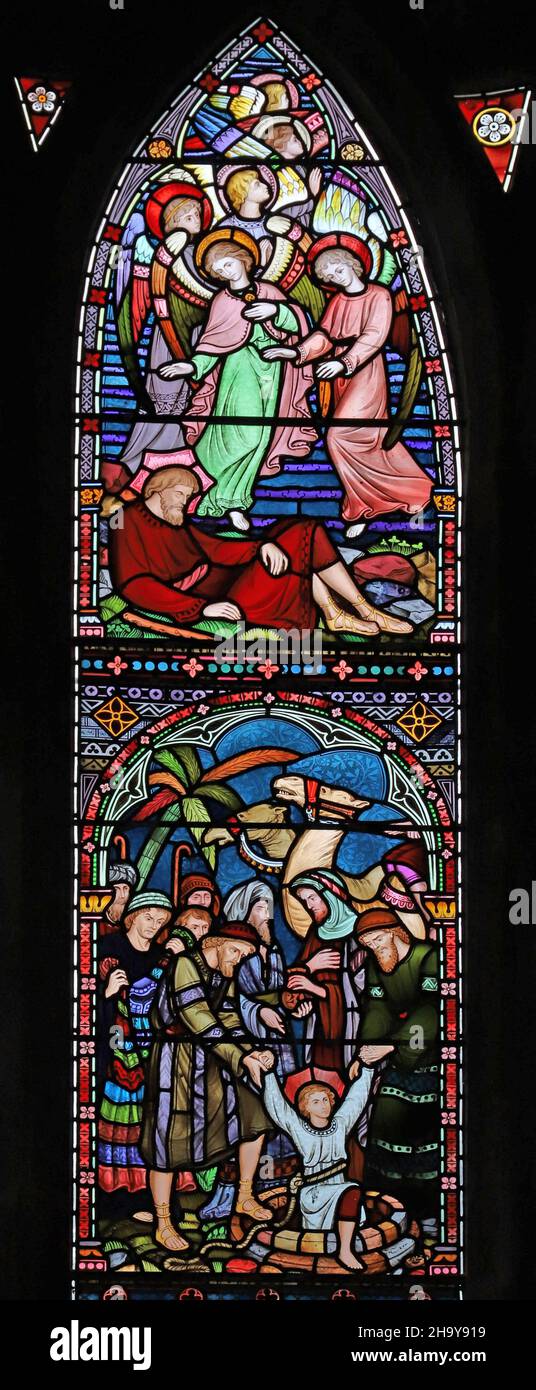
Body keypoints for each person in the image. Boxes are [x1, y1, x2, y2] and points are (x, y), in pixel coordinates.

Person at [109, 465, 412, 637]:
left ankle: (345, 611)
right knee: (302, 534)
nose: (184, 503)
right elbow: (134, 585)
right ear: (157, 489)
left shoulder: (177, 521)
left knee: (298, 531)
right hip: (221, 599)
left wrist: (261, 545)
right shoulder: (126, 522)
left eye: (187, 497)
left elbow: (216, 549)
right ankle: (355, 610)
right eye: (180, 495)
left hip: (229, 583)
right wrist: (200, 608)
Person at [263, 233, 433, 538]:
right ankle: (405, 489)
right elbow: (325, 335)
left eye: (338, 270)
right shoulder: (339, 300)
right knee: (369, 439)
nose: (336, 279)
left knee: (341, 437)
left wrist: (345, 362)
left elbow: (374, 335)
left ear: (353, 264)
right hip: (338, 374)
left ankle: (360, 507)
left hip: (366, 371)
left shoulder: (379, 295)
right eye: (329, 276)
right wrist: (297, 352)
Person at [159, 228, 317, 529]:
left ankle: (234, 501)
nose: (224, 272)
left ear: (244, 260)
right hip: (238, 370)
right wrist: (191, 367)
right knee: (244, 435)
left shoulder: (270, 292)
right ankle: (212, 490)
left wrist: (276, 311)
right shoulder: (222, 301)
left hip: (273, 374)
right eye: (218, 271)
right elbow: (210, 344)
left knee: (261, 440)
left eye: (228, 264)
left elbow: (298, 323)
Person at [139, 926, 275, 1251]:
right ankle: (163, 1223)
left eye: (244, 956)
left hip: (213, 1056)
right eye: (236, 951)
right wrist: (241, 1060)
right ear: (216, 943)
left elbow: (227, 1019)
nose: (239, 959)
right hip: (177, 1060)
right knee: (168, 1138)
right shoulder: (186, 964)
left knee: (253, 1117)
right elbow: (197, 1015)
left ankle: (243, 1196)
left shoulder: (222, 973)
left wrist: (251, 1051)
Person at [353, 907, 439, 1224]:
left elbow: (432, 1011)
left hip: (429, 1056)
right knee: (387, 1117)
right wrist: (363, 1049)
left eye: (377, 938)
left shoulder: (427, 957)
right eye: (367, 943)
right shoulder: (378, 965)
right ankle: (390, 1202)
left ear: (394, 931)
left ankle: (428, 1209)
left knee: (423, 1127)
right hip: (397, 1058)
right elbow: (377, 1010)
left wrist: (392, 1046)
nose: (374, 947)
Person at [97, 891, 181, 1197]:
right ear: (132, 916)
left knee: (154, 1118)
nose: (153, 925)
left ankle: (152, 1192)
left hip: (154, 1051)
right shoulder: (108, 948)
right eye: (148, 917)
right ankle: (120, 1190)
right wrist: (106, 994)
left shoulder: (163, 956)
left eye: (160, 921)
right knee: (124, 1115)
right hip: (118, 1051)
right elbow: (79, 1002)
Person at [262, 1061, 375, 1269]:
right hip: (313, 1193)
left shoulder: (340, 1125)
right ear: (305, 1107)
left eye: (325, 1099)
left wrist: (367, 1069)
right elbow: (278, 1108)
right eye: (315, 1102)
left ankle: (345, 1250)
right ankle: (341, 1250)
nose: (323, 1105)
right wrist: (269, 1074)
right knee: (351, 1192)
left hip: (340, 1186)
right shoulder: (299, 1129)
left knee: (351, 1191)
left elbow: (356, 1100)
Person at [226, 881, 300, 1187]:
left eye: (269, 906)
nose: (267, 914)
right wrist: (257, 1012)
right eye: (260, 907)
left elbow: (278, 992)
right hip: (245, 1037)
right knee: (252, 1107)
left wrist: (292, 1004)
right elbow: (227, 996)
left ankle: (282, 1182)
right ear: (245, 911)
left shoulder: (274, 949)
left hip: (279, 1037)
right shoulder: (233, 945)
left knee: (284, 1099)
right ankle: (245, 1187)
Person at [99, 862, 138, 937]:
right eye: (116, 889)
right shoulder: (98, 924)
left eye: (125, 888)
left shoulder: (135, 921)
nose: (122, 895)